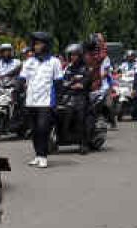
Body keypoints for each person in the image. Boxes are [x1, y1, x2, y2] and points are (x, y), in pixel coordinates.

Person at [20, 31, 63, 168]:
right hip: (31, 101)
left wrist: (57, 101)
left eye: (39, 43)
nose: (36, 46)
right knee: (34, 130)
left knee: (43, 128)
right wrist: (17, 88)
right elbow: (21, 78)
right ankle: (37, 155)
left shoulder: (54, 62)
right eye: (35, 44)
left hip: (46, 101)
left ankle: (44, 156)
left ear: (46, 45)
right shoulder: (28, 62)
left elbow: (58, 83)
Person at [60, 43, 95, 154]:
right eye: (71, 55)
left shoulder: (86, 68)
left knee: (80, 117)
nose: (72, 57)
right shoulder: (68, 68)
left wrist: (76, 84)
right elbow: (63, 81)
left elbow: (84, 83)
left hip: (81, 96)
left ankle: (83, 144)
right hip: (68, 95)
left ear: (80, 55)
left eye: (75, 55)